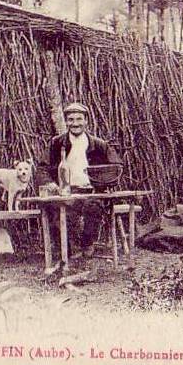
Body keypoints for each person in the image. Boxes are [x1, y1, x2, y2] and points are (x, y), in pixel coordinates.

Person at [39, 102, 123, 259]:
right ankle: (68, 250)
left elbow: (116, 166)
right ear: (66, 122)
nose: (75, 123)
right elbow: (42, 168)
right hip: (65, 192)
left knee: (94, 208)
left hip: (91, 192)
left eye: (79, 119)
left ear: (86, 121)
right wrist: (50, 183)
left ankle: (87, 243)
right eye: (71, 120)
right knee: (59, 214)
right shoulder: (56, 143)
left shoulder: (99, 144)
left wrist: (104, 181)